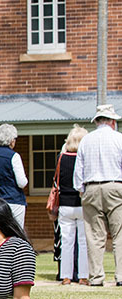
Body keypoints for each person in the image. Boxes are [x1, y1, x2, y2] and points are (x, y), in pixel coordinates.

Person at [73, 104, 122, 287]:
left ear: (97, 121)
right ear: (111, 122)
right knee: (119, 234)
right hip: (116, 185)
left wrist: (81, 189)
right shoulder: (119, 138)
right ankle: (121, 276)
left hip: (91, 187)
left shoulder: (86, 140)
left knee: (94, 236)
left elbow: (79, 169)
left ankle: (96, 277)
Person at [57, 125, 89, 285]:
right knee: (83, 241)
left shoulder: (61, 158)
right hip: (82, 203)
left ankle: (66, 276)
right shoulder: (84, 158)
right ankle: (83, 276)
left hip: (64, 203)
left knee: (67, 242)